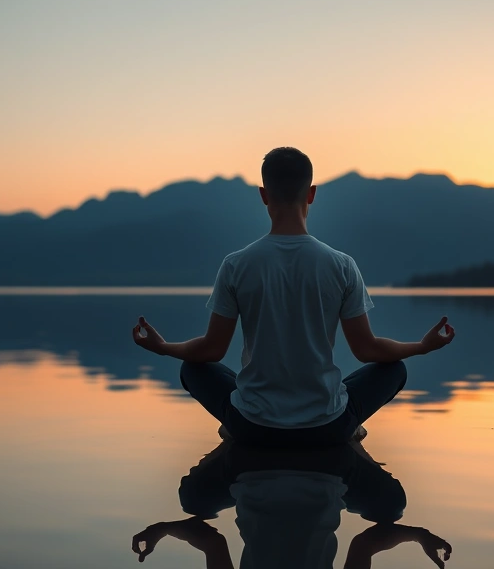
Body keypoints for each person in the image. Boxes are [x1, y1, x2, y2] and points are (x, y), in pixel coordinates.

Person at [131, 147, 455, 447]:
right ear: (312, 194)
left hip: (253, 425)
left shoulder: (236, 265)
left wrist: (162, 348)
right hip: (326, 426)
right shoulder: (342, 265)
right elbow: (367, 350)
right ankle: (349, 427)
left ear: (263, 195)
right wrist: (422, 347)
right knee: (394, 370)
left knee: (192, 368)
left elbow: (211, 350)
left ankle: (234, 426)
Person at [131, 441, 453, 568]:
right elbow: (211, 542)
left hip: (328, 466)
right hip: (252, 462)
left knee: (392, 508)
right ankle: (235, 435)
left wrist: (418, 535)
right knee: (193, 502)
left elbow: (364, 544)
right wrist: (162, 530)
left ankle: (348, 437)